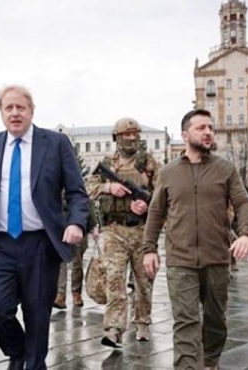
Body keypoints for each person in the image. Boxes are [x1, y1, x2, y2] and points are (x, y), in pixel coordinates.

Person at [0, 85, 89, 370]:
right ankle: (17, 351)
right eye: (8, 108)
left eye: (21, 107)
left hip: (40, 244)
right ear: (1, 113)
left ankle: (33, 364)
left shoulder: (55, 143)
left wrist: (76, 222)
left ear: (31, 110)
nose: (15, 113)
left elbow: (77, 192)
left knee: (37, 313)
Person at [142, 109, 248, 370]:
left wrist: (247, 234)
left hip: (217, 257)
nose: (208, 132)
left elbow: (243, 203)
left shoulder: (225, 169)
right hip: (180, 260)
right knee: (185, 321)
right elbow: (156, 212)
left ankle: (211, 361)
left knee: (216, 319)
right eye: (201, 128)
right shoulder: (168, 172)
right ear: (185, 135)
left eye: (210, 128)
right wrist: (149, 249)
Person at [86, 117, 159, 347]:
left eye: (135, 134)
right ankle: (114, 328)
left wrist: (148, 206)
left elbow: (164, 194)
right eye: (126, 134)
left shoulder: (149, 163)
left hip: (141, 232)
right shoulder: (108, 164)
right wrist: (109, 187)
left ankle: (143, 322)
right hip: (114, 231)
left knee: (143, 282)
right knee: (114, 280)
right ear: (117, 137)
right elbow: (89, 187)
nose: (131, 138)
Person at [53, 237, 88, 309]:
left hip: (78, 230)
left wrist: (94, 228)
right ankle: (61, 294)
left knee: (77, 263)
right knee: (61, 262)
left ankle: (76, 293)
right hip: (61, 230)